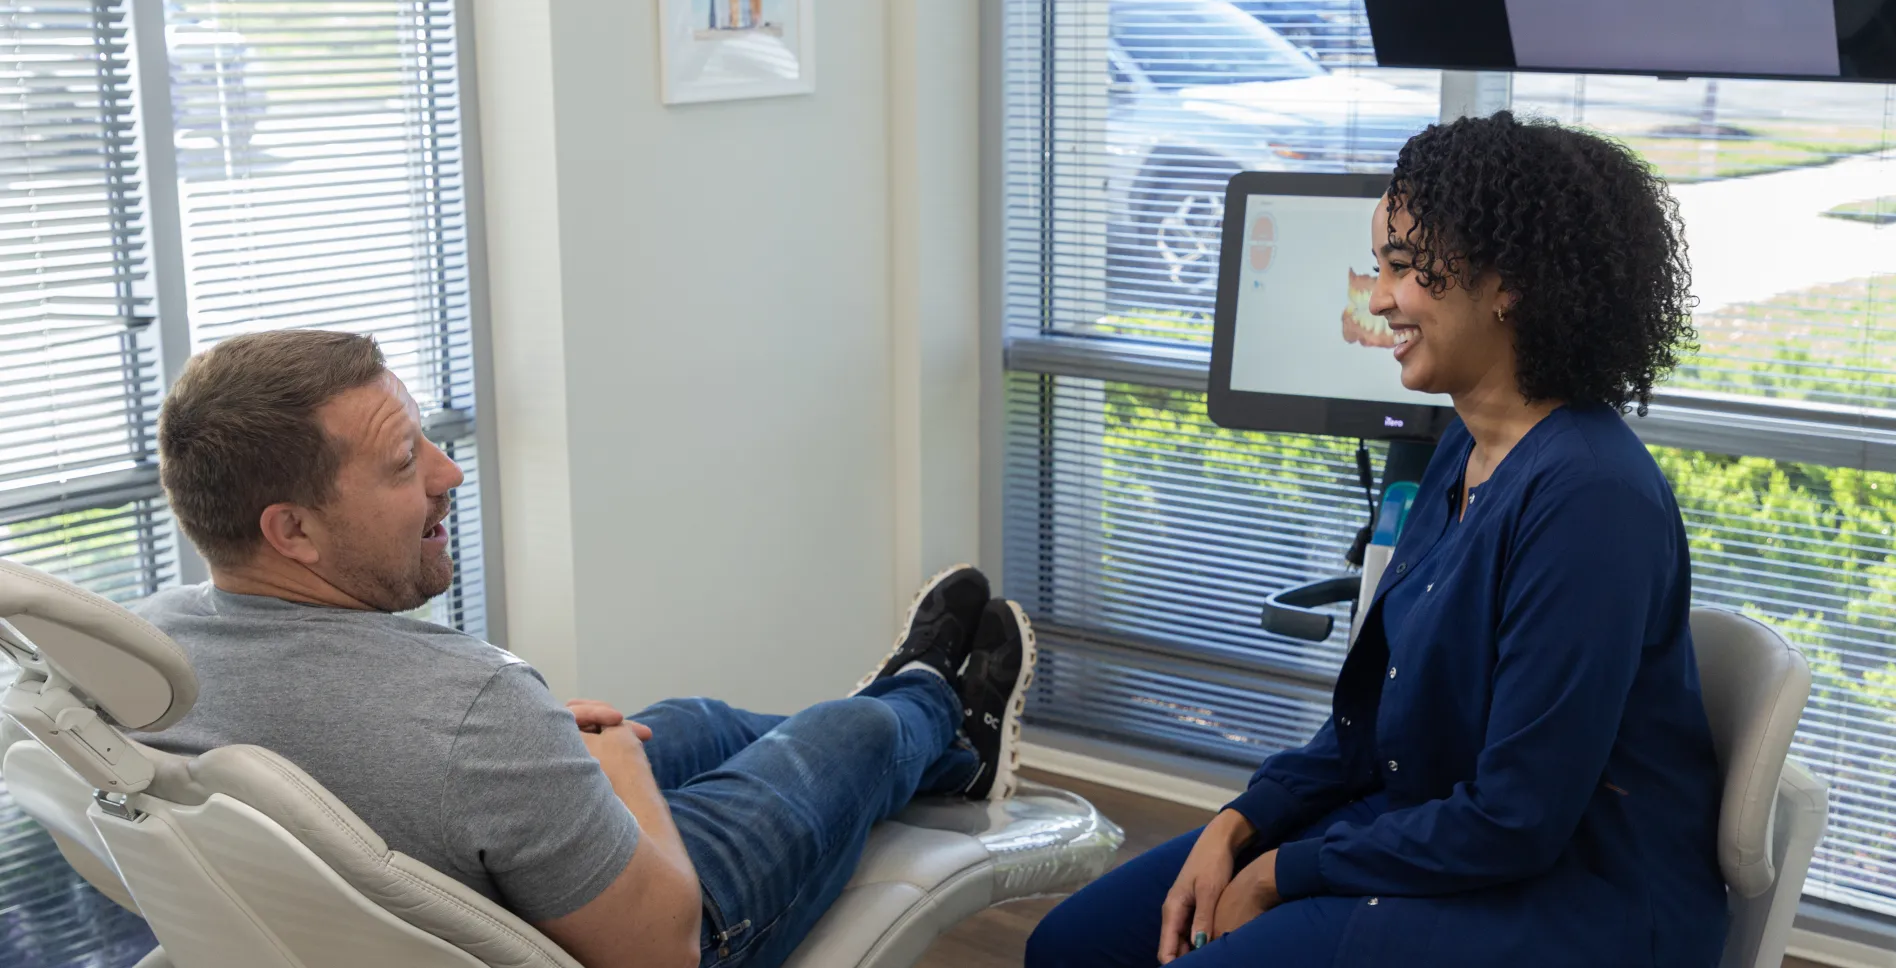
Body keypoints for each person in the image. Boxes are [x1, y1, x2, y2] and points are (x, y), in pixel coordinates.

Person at [1027, 111, 1726, 968]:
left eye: (1403, 268)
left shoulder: (1591, 499)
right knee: (1071, 949)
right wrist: (1242, 823)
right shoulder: (1466, 447)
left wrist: (1285, 872)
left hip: (1570, 898)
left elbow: (1518, 819)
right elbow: (1371, 728)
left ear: (1506, 284)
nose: (1380, 296)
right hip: (1431, 828)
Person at [133, 328, 1036, 968]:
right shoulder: (471, 705)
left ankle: (928, 744)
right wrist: (617, 774)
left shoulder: (152, 651)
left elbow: (372, 752)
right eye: (405, 465)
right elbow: (660, 954)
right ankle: (933, 706)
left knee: (696, 720)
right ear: (292, 530)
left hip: (434, 875)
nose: (448, 475)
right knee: (851, 736)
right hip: (632, 933)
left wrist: (522, 751)